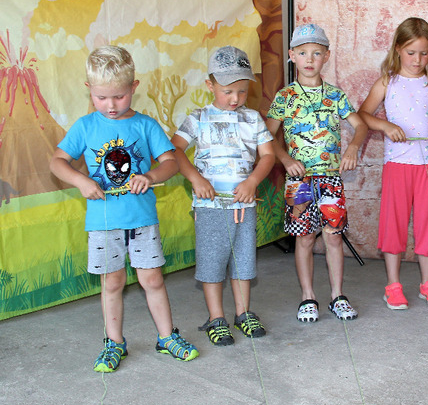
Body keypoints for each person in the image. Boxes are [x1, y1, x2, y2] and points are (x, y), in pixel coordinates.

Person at [50, 45, 199, 372]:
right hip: (103, 224)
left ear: (134, 87)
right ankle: (114, 342)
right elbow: (57, 162)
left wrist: (150, 176)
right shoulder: (85, 126)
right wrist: (81, 181)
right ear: (89, 90)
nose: (111, 105)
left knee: (153, 280)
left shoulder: (145, 125)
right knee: (112, 283)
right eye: (101, 97)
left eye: (119, 96)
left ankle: (167, 337)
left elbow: (171, 163)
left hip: (142, 220)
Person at [171, 46, 275, 345]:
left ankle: (243, 313)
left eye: (242, 91)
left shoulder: (253, 118)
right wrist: (196, 178)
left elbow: (268, 155)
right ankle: (216, 317)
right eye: (227, 91)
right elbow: (174, 149)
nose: (235, 98)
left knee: (243, 260)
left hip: (244, 206)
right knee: (212, 261)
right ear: (210, 85)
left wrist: (253, 181)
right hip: (210, 207)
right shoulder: (198, 118)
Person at [358, 17, 428, 310]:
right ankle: (393, 285)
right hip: (398, 165)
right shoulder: (387, 82)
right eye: (411, 52)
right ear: (398, 49)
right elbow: (362, 114)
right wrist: (384, 125)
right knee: (394, 224)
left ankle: (427, 284)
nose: (417, 60)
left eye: (424, 53)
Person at [266, 23, 368, 322]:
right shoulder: (285, 96)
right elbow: (267, 136)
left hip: (331, 179)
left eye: (316, 53)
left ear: (327, 56)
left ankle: (337, 296)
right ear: (291, 56)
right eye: (302, 53)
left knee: (334, 237)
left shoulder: (335, 95)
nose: (309, 59)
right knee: (305, 238)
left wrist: (353, 148)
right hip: (299, 181)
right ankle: (308, 296)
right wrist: (285, 159)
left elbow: (360, 125)